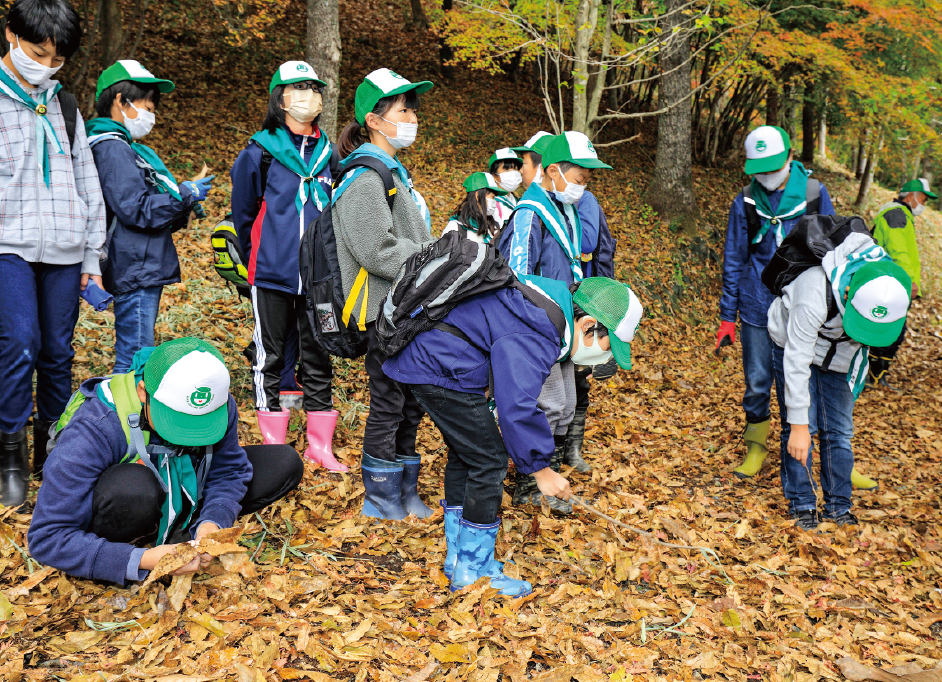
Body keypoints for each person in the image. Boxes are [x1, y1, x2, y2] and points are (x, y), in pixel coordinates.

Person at [383, 276, 642, 595]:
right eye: (606, 349)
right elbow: (517, 405)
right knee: (489, 460)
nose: (603, 361)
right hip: (440, 365)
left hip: (436, 359)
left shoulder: (546, 304)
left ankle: (460, 559)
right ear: (588, 325)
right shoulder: (540, 326)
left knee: (467, 455)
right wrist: (541, 470)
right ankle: (473, 572)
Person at [27, 337, 304, 583]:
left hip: (183, 489)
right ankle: (130, 548)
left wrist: (212, 523)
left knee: (283, 463)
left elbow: (229, 470)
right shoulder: (95, 427)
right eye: (177, 423)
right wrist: (143, 560)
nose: (189, 437)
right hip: (122, 508)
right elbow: (47, 537)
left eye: (200, 426)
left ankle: (181, 534)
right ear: (142, 392)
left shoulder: (213, 401)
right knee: (135, 488)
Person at [717, 125, 874, 490]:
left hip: (808, 304)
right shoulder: (744, 201)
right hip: (758, 303)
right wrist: (728, 315)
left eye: (773, 167)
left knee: (815, 376)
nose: (767, 177)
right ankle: (755, 445)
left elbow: (838, 249)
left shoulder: (815, 194)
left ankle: (836, 456)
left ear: (790, 157)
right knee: (758, 381)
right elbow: (734, 257)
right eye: (761, 170)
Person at [0, 0, 106, 506]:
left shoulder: (64, 106)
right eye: (37, 53)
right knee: (20, 343)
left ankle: (56, 452)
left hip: (64, 249)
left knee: (57, 355)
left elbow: (87, 181)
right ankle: (11, 455)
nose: (45, 65)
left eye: (56, 60)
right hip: (7, 248)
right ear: (10, 36)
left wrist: (92, 258)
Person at [230, 61, 345, 470]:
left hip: (318, 278)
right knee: (270, 355)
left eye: (314, 89)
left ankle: (320, 447)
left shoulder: (328, 154)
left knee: (319, 353)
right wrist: (254, 260)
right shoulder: (258, 152)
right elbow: (242, 213)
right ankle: (274, 446)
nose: (307, 97)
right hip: (272, 272)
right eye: (297, 89)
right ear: (280, 99)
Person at [332, 68, 435, 519]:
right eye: (402, 109)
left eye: (412, 108)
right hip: (381, 310)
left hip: (406, 307)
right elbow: (376, 249)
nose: (411, 116)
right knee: (390, 399)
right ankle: (380, 497)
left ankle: (404, 490)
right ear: (374, 120)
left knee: (411, 400)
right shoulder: (364, 177)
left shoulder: (393, 172)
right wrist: (433, 256)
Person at [498, 131, 611, 512]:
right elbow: (516, 276)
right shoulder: (530, 214)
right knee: (542, 404)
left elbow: (572, 270)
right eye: (579, 179)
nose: (582, 188)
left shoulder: (564, 211)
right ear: (553, 172)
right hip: (536, 329)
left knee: (565, 403)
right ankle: (527, 484)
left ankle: (549, 475)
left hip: (563, 328)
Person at [767, 236, 911, 530]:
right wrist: (798, 426)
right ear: (848, 292)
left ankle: (838, 506)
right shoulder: (813, 289)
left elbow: (863, 344)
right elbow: (797, 360)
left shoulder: (889, 291)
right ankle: (802, 503)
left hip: (840, 353)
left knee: (840, 431)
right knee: (800, 428)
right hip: (793, 343)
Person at [86, 60, 211, 375]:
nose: (150, 115)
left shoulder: (120, 146)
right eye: (147, 105)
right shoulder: (112, 149)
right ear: (121, 101)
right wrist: (183, 195)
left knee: (135, 353)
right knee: (135, 359)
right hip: (135, 265)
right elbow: (134, 208)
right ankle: (125, 421)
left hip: (137, 262)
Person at [564, 186, 618, 472]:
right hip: (563, 298)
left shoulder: (584, 202)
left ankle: (572, 449)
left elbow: (593, 247)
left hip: (583, 299)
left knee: (579, 377)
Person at [867, 178, 936, 389]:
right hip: (892, 283)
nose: (923, 204)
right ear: (910, 197)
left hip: (891, 282)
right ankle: (874, 376)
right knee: (892, 330)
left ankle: (876, 376)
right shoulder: (896, 215)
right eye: (923, 199)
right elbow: (899, 252)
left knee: (890, 328)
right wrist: (911, 281)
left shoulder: (900, 214)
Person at [441, 172, 507, 244]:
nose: (494, 201)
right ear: (477, 196)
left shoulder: (494, 226)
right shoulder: (455, 229)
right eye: (492, 197)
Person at [487, 148, 523, 227]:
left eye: (515, 169)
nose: (513, 173)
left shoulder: (518, 201)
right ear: (494, 175)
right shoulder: (490, 204)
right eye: (506, 169)